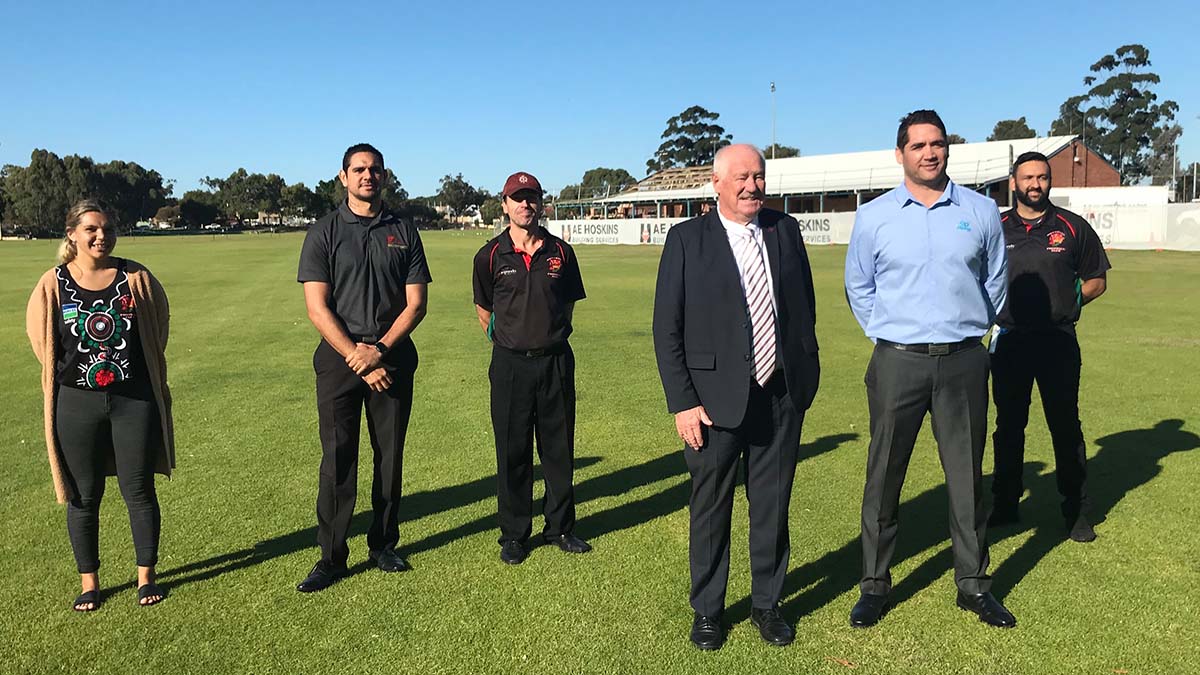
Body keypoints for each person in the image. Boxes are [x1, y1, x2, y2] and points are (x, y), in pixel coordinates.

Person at [844, 110, 1016, 629]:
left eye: (937, 143)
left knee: (966, 477)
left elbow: (995, 282)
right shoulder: (874, 215)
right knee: (884, 475)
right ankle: (875, 584)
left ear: (947, 149)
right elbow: (859, 285)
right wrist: (889, 332)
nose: (929, 153)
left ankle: (973, 584)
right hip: (897, 360)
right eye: (918, 145)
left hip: (964, 359)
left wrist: (971, 331)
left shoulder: (981, 210)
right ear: (901, 154)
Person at [653, 144, 820, 650]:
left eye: (759, 176)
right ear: (717, 183)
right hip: (712, 403)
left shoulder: (784, 230)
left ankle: (767, 605)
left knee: (772, 504)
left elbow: (803, 308)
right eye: (742, 177)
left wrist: (802, 378)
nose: (753, 186)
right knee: (711, 508)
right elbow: (667, 328)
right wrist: (683, 403)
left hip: (779, 395)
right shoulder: (686, 239)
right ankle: (707, 610)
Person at [25, 199, 175, 611]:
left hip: (134, 399)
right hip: (76, 402)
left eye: (107, 228)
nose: (100, 236)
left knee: (139, 490)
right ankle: (90, 583)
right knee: (83, 496)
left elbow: (157, 324)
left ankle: (147, 577)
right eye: (91, 228)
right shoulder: (54, 282)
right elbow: (42, 339)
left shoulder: (135, 276)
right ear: (72, 233)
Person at [295, 143, 431, 592]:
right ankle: (331, 555)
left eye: (374, 170)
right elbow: (317, 308)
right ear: (343, 176)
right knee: (338, 459)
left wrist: (380, 351)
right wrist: (357, 355)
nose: (367, 176)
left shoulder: (404, 231)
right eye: (359, 169)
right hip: (339, 362)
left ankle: (384, 544)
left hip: (392, 359)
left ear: (385, 176)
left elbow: (416, 304)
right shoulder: (325, 231)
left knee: (389, 458)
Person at [989, 151, 1111, 542]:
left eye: (1041, 177)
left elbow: (1096, 280)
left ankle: (1076, 512)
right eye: (1027, 178)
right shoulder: (996, 227)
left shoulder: (1072, 228)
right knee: (1008, 426)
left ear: (1050, 181)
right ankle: (1006, 504)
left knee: (1064, 426)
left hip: (1057, 341)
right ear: (1013, 182)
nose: (1035, 184)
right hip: (1009, 341)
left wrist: (1068, 305)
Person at [471, 171, 591, 565]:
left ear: (541, 203)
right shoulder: (489, 255)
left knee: (558, 449)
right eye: (517, 198)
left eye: (532, 197)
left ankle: (559, 527)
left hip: (555, 362)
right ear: (504, 204)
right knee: (513, 451)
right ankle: (514, 534)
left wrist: (547, 335)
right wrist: (511, 341)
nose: (525, 204)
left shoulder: (561, 252)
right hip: (509, 367)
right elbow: (484, 310)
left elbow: (568, 303)